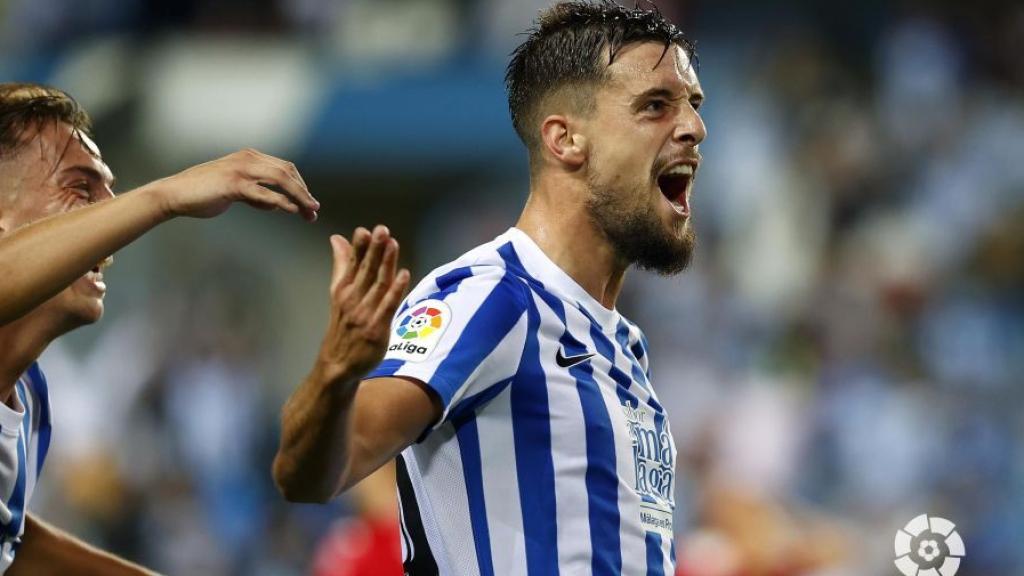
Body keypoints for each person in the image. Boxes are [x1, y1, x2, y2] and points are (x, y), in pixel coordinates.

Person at [273, 1, 705, 574]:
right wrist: (335, 373)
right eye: (656, 105)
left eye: (693, 105)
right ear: (564, 140)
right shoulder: (491, 297)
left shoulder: (626, 351)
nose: (694, 128)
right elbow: (310, 473)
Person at [0, 82, 319, 574]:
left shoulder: (30, 394)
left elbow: (12, 542)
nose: (111, 225)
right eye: (81, 188)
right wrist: (163, 196)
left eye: (112, 197)